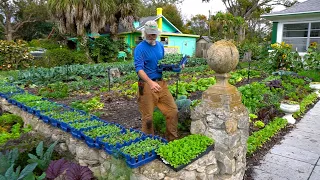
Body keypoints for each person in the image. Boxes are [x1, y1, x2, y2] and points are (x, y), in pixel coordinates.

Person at [134, 20, 179, 141]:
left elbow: (162, 64)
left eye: (154, 33)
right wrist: (150, 82)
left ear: (157, 33)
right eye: (149, 33)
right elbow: (139, 69)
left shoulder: (160, 46)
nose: (152, 36)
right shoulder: (140, 48)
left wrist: (177, 66)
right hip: (146, 85)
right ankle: (149, 144)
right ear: (145, 32)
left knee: (172, 111)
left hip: (161, 84)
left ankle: (172, 140)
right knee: (148, 118)